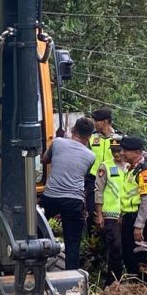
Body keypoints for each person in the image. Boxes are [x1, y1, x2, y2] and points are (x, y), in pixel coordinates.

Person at [40, 117, 96, 272]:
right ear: (90, 136)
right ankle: (71, 280)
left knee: (35, 230)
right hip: (74, 201)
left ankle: (35, 268)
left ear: (73, 130)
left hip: (50, 197)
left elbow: (44, 160)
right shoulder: (91, 156)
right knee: (72, 243)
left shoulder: (58, 142)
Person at [118, 135, 147, 279]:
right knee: (128, 255)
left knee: (139, 258)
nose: (122, 153)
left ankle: (145, 287)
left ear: (136, 153)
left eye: (125, 151)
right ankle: (135, 287)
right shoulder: (132, 169)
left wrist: (139, 225)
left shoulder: (144, 171)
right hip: (130, 217)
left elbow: (146, 199)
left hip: (140, 219)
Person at [94, 136, 125, 284]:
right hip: (110, 215)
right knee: (115, 249)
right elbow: (98, 190)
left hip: (127, 215)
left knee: (126, 249)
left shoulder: (131, 167)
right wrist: (99, 214)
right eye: (113, 152)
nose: (117, 155)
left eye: (119, 151)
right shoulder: (104, 167)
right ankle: (112, 283)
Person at [85, 108, 117, 213]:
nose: (94, 123)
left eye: (96, 121)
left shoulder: (118, 138)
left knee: (110, 210)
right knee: (92, 211)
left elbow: (133, 152)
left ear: (105, 122)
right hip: (92, 179)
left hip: (112, 179)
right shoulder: (91, 137)